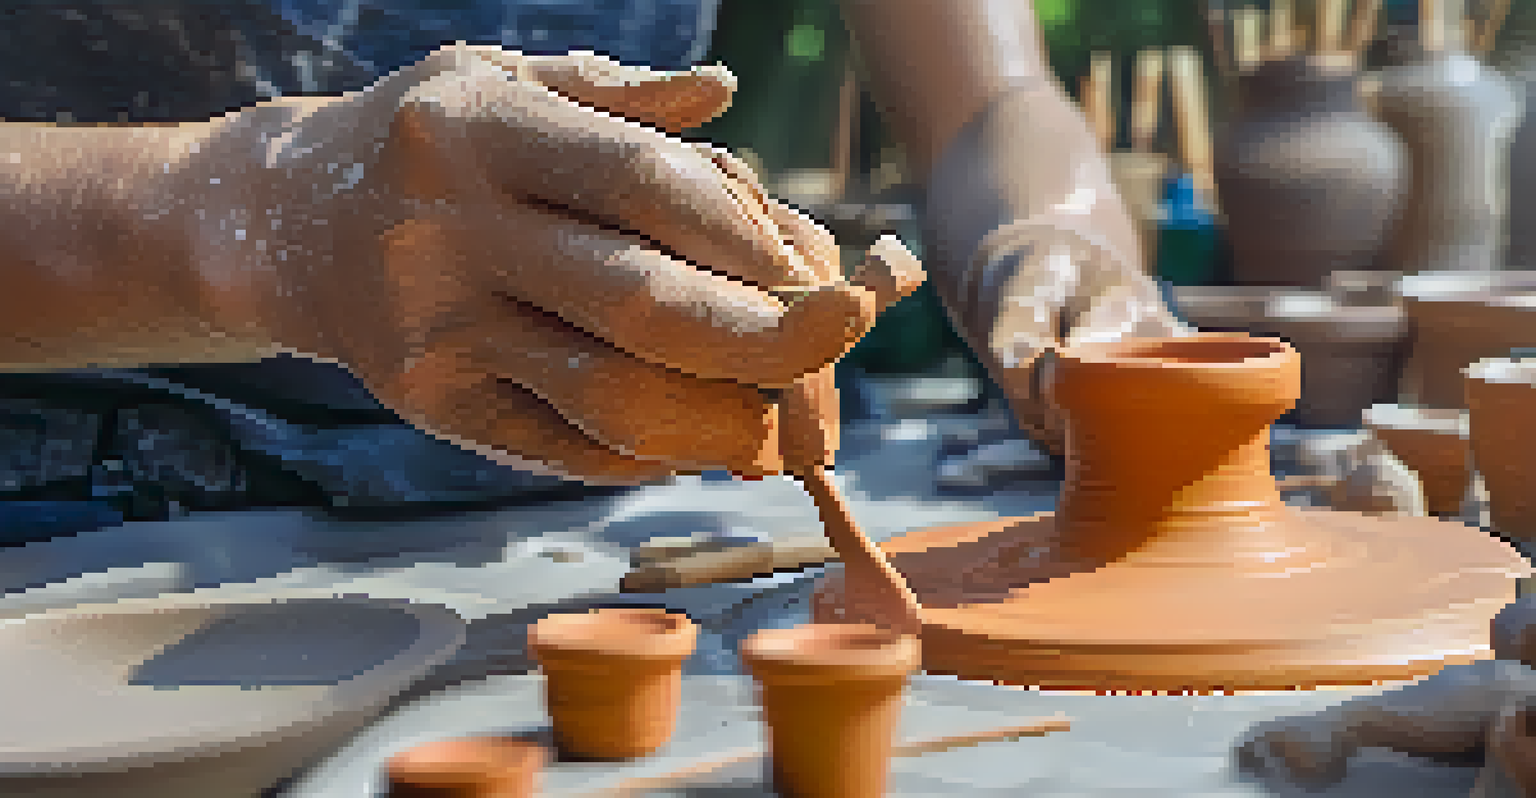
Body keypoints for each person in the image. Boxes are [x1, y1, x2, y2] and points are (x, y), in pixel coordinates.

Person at [0, 0, 1185, 487]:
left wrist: (1049, 239)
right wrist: (244, 219)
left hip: (612, 530)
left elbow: (989, 105)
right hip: (83, 529)